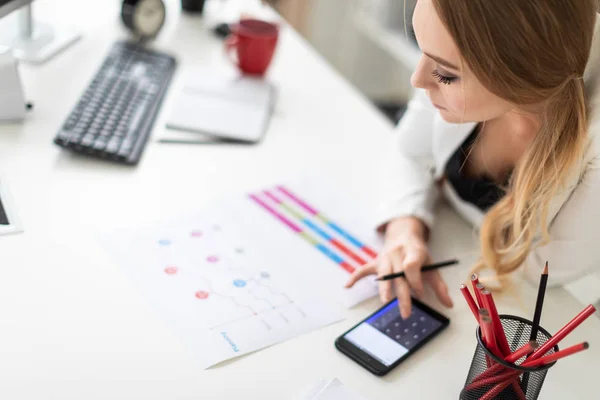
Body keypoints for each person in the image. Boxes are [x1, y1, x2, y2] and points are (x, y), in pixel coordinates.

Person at [346, 0, 600, 319]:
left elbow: (542, 271)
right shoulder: (454, 57)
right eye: (422, 49)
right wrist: (405, 228)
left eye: (446, 75)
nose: (417, 79)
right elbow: (410, 151)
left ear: (521, 79)